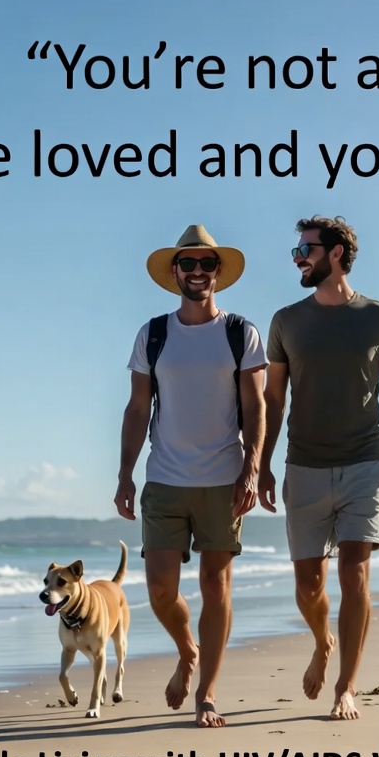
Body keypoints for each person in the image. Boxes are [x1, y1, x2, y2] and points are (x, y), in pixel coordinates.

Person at [258, 214, 379, 721]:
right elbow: (273, 397)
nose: (297, 257)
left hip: (364, 463)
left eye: (305, 248)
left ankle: (347, 688)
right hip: (304, 466)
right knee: (308, 585)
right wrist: (262, 465)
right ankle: (322, 640)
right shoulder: (286, 321)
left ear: (335, 253)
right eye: (297, 249)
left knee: (355, 573)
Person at [115, 224, 268, 728]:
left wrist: (251, 469)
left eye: (206, 263)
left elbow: (255, 406)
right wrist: (125, 473)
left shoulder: (240, 332)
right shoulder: (153, 334)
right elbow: (138, 408)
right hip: (164, 476)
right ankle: (188, 650)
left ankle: (208, 695)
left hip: (224, 478)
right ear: (175, 272)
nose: (198, 271)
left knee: (215, 585)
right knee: (160, 589)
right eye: (188, 263)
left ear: (218, 272)